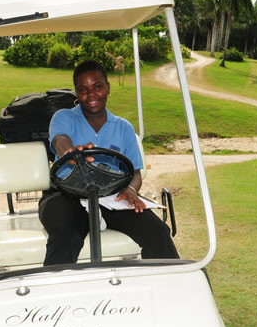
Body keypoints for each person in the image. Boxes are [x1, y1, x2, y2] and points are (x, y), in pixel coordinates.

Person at [39, 60, 179, 266]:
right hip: (65, 195)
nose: (91, 94)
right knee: (65, 236)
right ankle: (53, 294)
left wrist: (131, 190)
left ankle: (167, 289)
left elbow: (136, 173)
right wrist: (71, 154)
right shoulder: (64, 117)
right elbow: (60, 141)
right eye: (83, 89)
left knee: (157, 231)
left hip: (112, 196)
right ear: (77, 93)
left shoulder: (123, 127)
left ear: (108, 88)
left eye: (97, 86)